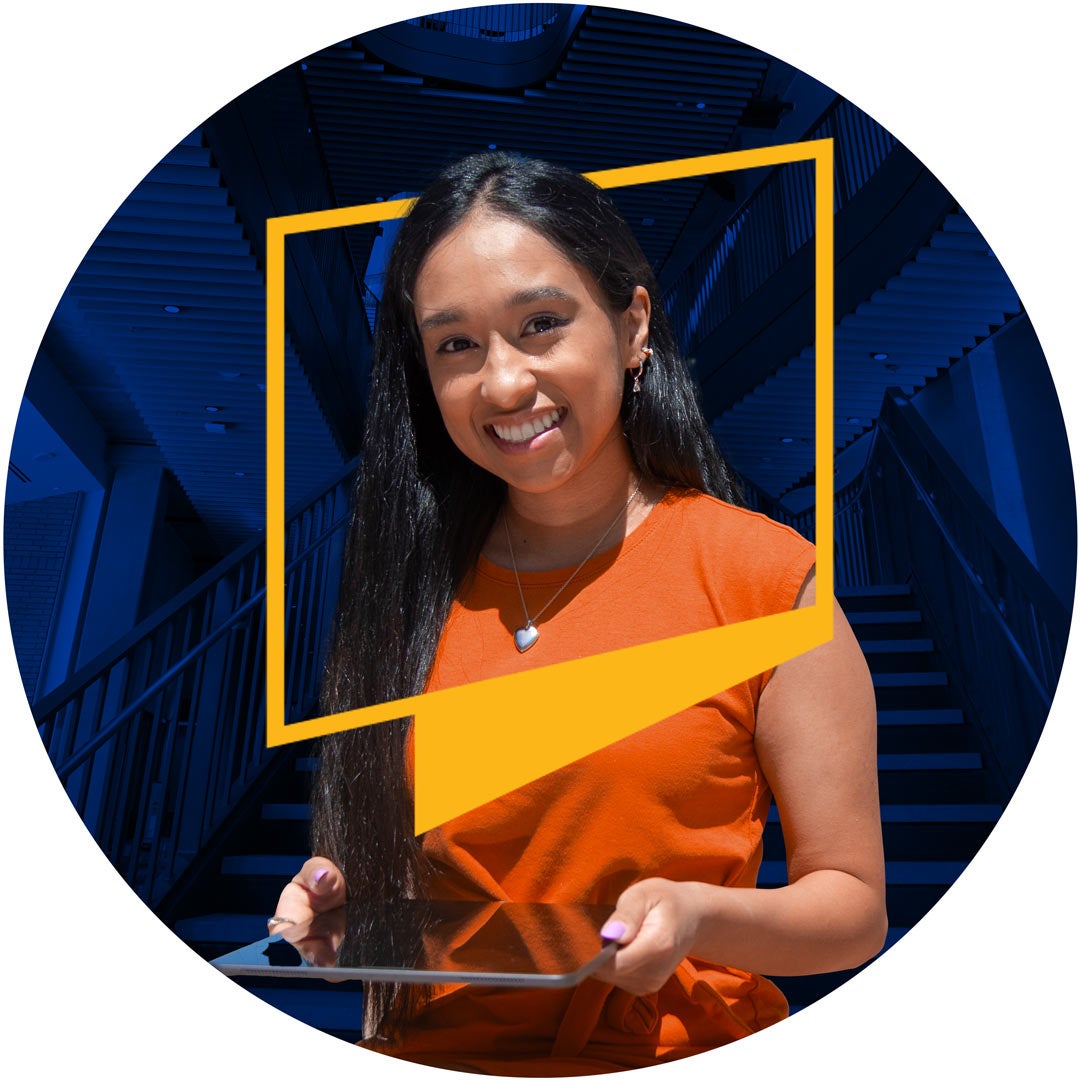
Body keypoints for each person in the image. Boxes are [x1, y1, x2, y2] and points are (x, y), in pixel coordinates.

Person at [272, 152, 885, 1073]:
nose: (505, 383)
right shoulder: (410, 593)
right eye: (456, 345)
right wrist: (355, 917)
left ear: (633, 326)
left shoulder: (764, 578)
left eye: (542, 325)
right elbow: (453, 888)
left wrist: (698, 915)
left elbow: (851, 909)